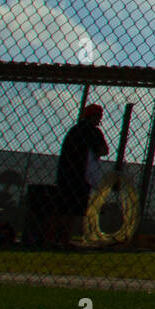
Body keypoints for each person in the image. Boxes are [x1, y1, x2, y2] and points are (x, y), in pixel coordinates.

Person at [51, 103, 108, 248]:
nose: (99, 119)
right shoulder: (93, 132)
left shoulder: (74, 130)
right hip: (81, 174)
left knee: (63, 208)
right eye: (97, 116)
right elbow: (103, 150)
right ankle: (64, 239)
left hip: (66, 173)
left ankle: (54, 238)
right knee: (73, 210)